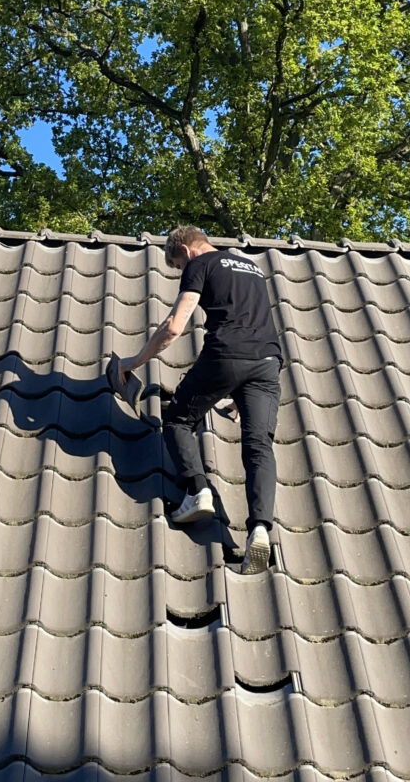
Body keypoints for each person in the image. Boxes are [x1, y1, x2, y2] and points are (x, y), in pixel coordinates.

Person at [119, 225, 282, 573]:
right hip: (267, 362)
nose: (181, 270)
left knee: (177, 420)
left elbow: (174, 326)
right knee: (258, 446)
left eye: (178, 265)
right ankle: (259, 528)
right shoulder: (252, 268)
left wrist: (134, 362)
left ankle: (197, 491)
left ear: (185, 250)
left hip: (225, 355)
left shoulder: (200, 264)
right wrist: (239, 391)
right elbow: (251, 321)